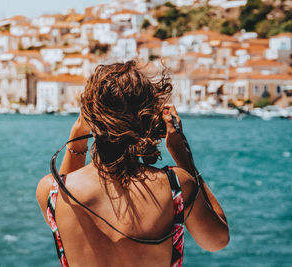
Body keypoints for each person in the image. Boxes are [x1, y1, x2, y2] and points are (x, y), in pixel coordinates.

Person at [36, 61, 229, 267]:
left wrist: (79, 131)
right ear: (147, 121)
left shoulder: (52, 192)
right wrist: (184, 157)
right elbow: (217, 241)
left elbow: (65, 197)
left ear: (89, 116)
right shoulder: (176, 186)